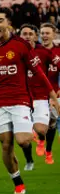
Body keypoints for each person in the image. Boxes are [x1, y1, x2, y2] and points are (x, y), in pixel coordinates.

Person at [0, 7, 60, 194]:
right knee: (6, 144)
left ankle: (33, 136)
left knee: (23, 140)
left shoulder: (21, 45)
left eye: (0, 21)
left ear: (8, 23)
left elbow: (38, 72)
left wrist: (53, 96)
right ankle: (18, 182)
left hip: (20, 99)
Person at [19, 24, 52, 168]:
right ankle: (29, 160)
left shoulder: (44, 53)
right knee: (23, 139)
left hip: (40, 97)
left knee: (41, 130)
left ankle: (41, 138)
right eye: (24, 34)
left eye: (30, 34)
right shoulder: (14, 52)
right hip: (21, 99)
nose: (27, 36)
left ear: (35, 36)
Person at [39, 23, 60, 164]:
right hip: (37, 93)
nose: (44, 35)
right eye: (42, 33)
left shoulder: (58, 52)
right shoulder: (34, 50)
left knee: (52, 123)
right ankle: (41, 139)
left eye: (47, 33)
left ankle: (48, 151)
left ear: (54, 35)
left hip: (54, 93)